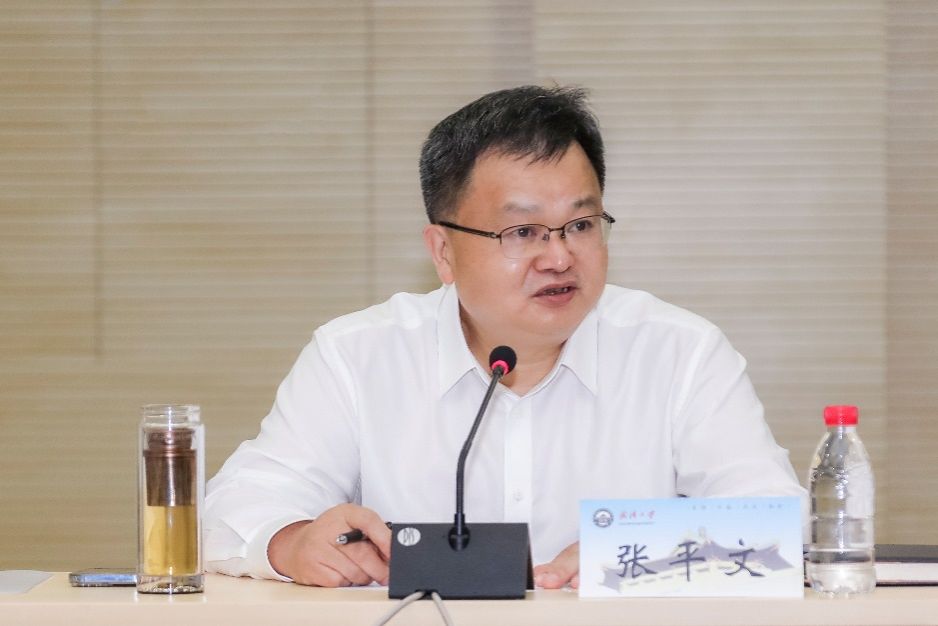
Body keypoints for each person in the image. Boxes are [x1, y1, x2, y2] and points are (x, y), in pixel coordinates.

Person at [204, 85, 805, 589]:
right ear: (443, 251)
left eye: (581, 224)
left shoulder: (680, 353)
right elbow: (231, 509)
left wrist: (634, 553)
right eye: (522, 232)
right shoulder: (357, 357)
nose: (559, 256)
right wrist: (292, 543)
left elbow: (783, 526)